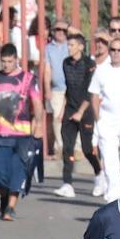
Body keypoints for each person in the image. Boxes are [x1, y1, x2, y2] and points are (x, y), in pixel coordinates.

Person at [0, 44, 43, 221]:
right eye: (3, 61)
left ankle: (10, 207)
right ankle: (4, 197)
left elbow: (37, 104)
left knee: (18, 170)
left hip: (22, 135)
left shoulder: (28, 78)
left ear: (16, 59)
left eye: (9, 61)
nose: (6, 65)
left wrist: (39, 124)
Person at [88, 34, 120, 202]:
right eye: (113, 49)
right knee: (109, 159)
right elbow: (94, 95)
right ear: (109, 51)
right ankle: (113, 196)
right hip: (107, 120)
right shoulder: (101, 70)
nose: (116, 53)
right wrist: (98, 119)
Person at [54, 30, 100, 199]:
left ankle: (98, 172)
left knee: (88, 149)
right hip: (70, 109)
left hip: (85, 110)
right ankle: (67, 183)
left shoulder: (89, 64)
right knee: (67, 147)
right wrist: (63, 110)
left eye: (72, 45)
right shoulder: (66, 63)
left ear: (81, 46)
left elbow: (90, 91)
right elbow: (69, 87)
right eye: (68, 45)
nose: (69, 48)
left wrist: (81, 112)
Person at [41, 20, 70, 155]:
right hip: (57, 89)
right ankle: (60, 148)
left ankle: (74, 148)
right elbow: (47, 69)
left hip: (71, 88)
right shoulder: (48, 48)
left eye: (64, 30)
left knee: (71, 118)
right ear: (53, 31)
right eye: (58, 29)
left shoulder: (71, 45)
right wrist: (47, 89)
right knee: (57, 119)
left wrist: (68, 27)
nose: (61, 33)